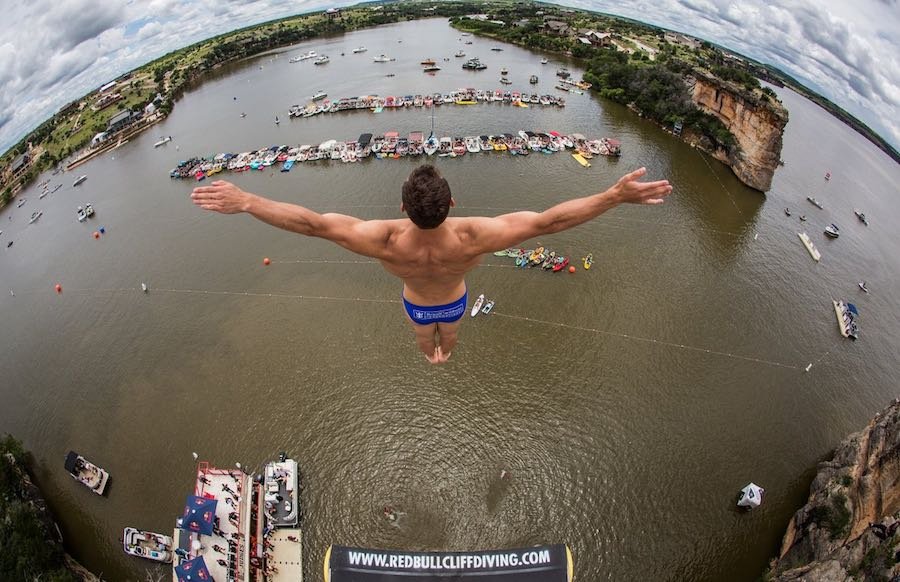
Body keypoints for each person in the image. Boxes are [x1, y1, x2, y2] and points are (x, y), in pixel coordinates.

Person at [191, 165, 671, 363]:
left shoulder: (383, 238)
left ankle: (431, 358)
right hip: (456, 300)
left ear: (402, 209)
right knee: (454, 333)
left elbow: (313, 225)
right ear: (453, 203)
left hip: (417, 307)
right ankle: (448, 354)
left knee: (426, 340)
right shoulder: (473, 236)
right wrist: (613, 195)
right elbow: (548, 223)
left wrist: (249, 199)